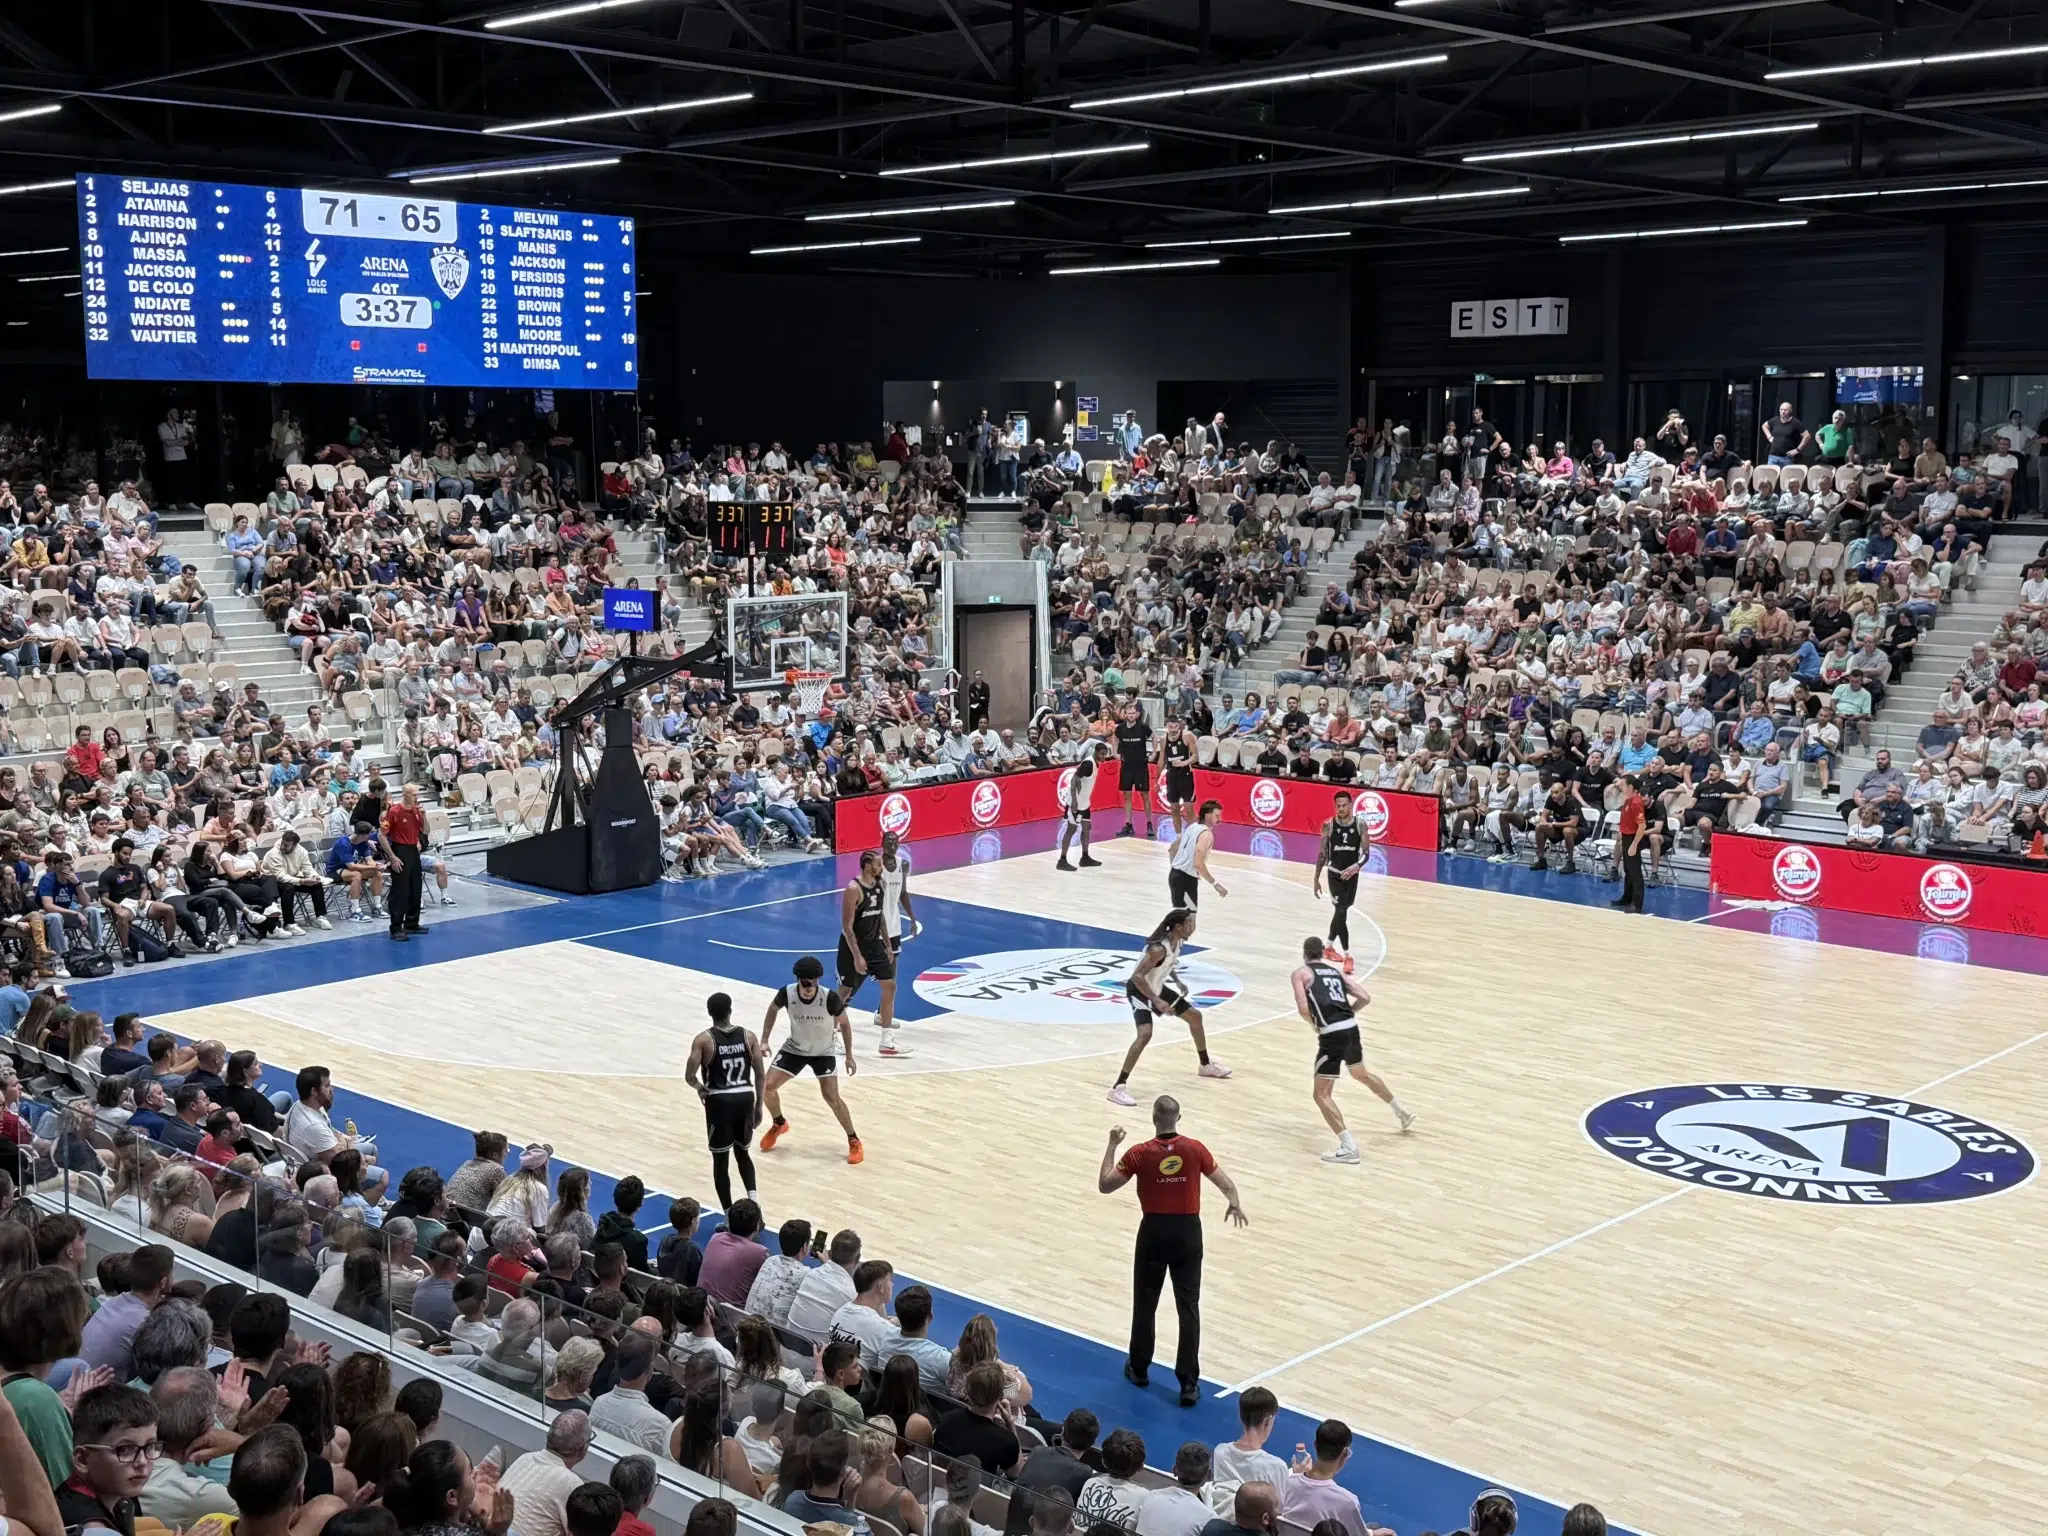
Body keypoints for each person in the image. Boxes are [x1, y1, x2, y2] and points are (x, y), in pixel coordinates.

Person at [1097, 1094, 1247, 1407]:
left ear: (1154, 1119)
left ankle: (1139, 1369)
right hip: (1188, 1233)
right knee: (1188, 1308)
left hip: (1153, 1232)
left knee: (1145, 1304)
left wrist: (1112, 1143)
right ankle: (1189, 1385)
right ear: (1178, 1118)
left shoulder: (1139, 1153)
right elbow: (1226, 1183)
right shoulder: (1195, 1149)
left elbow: (1105, 1185)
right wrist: (1234, 1203)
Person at [1291, 937, 1413, 1165]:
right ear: (1322, 954)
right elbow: (1365, 997)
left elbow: (1303, 1008)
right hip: (1351, 1029)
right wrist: (1349, 1013)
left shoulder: (1301, 974)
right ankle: (1401, 1112)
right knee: (1360, 1074)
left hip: (1332, 1034)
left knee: (1321, 1094)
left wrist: (1317, 1026)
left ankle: (1348, 1148)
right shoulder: (1336, 972)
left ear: (1305, 954)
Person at [1111, 907, 1230, 1106]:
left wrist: (1177, 981)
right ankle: (1118, 1087)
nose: (1192, 928)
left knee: (1195, 1017)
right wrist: (1157, 1001)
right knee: (1145, 1035)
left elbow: (1167, 965)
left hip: (1156, 987)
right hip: (1140, 990)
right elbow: (1137, 977)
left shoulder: (1178, 942)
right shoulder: (1158, 948)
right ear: (1178, 927)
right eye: (1189, 924)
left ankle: (1205, 1064)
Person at [758, 956, 862, 1164]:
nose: (808, 989)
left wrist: (849, 1056)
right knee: (765, 1087)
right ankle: (779, 1124)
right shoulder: (786, 993)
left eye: (812, 984)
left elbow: (845, 1024)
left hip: (823, 1051)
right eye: (804, 985)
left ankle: (854, 1139)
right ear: (798, 980)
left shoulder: (829, 998)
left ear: (818, 981)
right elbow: (772, 1009)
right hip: (795, 1048)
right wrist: (764, 1040)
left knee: (831, 1097)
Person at [684, 992, 763, 1212]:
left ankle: (729, 1214)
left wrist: (700, 1088)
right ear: (730, 1010)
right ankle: (754, 1203)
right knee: (743, 1153)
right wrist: (759, 1105)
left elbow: (689, 1076)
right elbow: (760, 1074)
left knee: (721, 1161)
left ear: (709, 1013)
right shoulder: (749, 1037)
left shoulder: (703, 1040)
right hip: (746, 1097)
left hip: (720, 1101)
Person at [835, 850, 897, 1061]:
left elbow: (880, 918)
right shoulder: (853, 889)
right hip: (853, 946)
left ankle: (886, 1040)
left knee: (889, 985)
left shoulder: (881, 885)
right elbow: (846, 927)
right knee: (845, 991)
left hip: (874, 945)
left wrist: (888, 945)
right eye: (878, 864)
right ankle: (831, 1034)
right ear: (867, 865)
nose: (882, 867)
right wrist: (857, 956)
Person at [1310, 791, 1368, 972]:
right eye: (1338, 805)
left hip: (1352, 875)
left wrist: (1356, 867)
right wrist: (1316, 878)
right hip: (1335, 874)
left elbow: (1366, 853)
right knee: (1341, 910)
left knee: (1342, 909)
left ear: (1351, 805)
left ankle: (1327, 947)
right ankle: (1348, 956)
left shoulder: (1360, 824)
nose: (1341, 808)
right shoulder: (1328, 825)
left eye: (1344, 805)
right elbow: (1322, 854)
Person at [874, 831, 915, 1058]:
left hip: (895, 927)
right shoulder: (876, 865)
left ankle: (882, 1015)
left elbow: (903, 893)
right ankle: (836, 1027)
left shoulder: (903, 865)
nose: (893, 845)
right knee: (862, 978)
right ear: (882, 843)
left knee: (892, 977)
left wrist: (913, 917)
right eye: (889, 841)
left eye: (896, 842)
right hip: (877, 929)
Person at [380, 783, 430, 943]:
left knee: (416, 887)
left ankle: (412, 922)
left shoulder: (417, 811)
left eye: (417, 794)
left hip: (413, 850)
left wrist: (424, 815)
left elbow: (426, 830)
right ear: (405, 795)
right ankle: (396, 927)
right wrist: (392, 857)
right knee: (400, 891)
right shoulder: (394, 811)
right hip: (400, 850)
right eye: (414, 794)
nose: (417, 797)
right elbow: (382, 835)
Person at [1056, 741, 1107, 872]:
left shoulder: (1096, 764)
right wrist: (1074, 802)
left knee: (1086, 828)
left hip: (1085, 802)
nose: (1103, 757)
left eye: (1105, 755)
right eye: (1101, 754)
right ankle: (1062, 860)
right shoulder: (1088, 763)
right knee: (1071, 829)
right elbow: (1074, 779)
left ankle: (1085, 857)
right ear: (1095, 752)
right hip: (1076, 802)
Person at [1167, 801, 1228, 909]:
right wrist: (1215, 884)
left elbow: (1172, 849)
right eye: (1217, 815)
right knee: (1187, 918)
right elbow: (1198, 864)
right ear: (1208, 816)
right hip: (1186, 880)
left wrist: (1176, 868)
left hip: (1175, 875)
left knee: (1181, 916)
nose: (1220, 819)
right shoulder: (1206, 834)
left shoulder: (1192, 826)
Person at [1113, 701, 1155, 838]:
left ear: (1136, 714)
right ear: (1125, 714)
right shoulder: (1120, 729)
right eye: (1128, 713)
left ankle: (1149, 824)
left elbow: (1155, 738)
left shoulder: (1143, 727)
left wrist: (1154, 753)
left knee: (1145, 795)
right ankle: (1128, 825)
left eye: (1133, 713)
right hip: (1126, 767)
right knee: (1127, 795)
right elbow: (1115, 739)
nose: (1131, 716)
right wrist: (1115, 753)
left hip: (1141, 766)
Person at [1610, 773, 1648, 915]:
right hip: (1626, 837)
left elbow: (1642, 826)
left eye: (1623, 784)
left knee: (1635, 872)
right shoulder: (1628, 800)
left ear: (1631, 787)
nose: (1620, 785)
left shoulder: (1636, 802)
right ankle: (1627, 898)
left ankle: (1637, 905)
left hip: (1633, 838)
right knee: (1628, 869)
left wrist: (1634, 845)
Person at [1158, 720, 1199, 834]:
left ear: (1179, 727)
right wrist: (1156, 780)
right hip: (1172, 776)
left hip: (1185, 774)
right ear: (1167, 726)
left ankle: (1194, 836)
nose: (1173, 729)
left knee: (1188, 808)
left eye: (1176, 726)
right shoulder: (1163, 739)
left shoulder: (1187, 736)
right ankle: (1179, 837)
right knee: (1174, 808)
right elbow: (1161, 760)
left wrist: (1184, 763)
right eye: (1171, 727)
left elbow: (1196, 756)